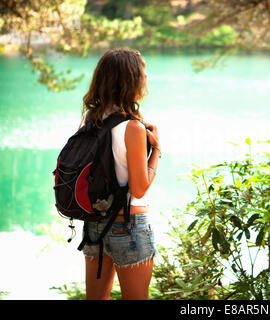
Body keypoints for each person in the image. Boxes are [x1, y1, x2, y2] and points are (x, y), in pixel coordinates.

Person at [79, 47, 160, 300]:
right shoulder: (133, 127)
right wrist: (156, 150)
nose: (146, 79)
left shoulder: (91, 121)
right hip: (130, 224)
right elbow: (139, 188)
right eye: (143, 74)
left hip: (94, 224)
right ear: (131, 80)